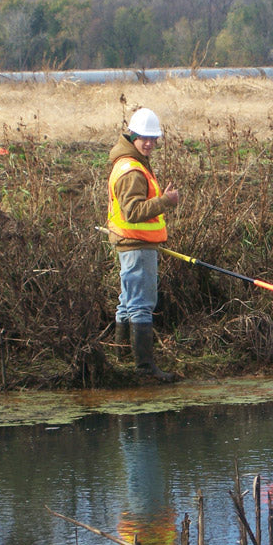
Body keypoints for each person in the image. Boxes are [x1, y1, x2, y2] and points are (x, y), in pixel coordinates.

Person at [107, 107, 179, 383]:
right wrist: (166, 202)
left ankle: (122, 360)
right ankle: (145, 369)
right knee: (141, 305)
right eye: (143, 138)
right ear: (132, 136)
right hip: (137, 247)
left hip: (132, 245)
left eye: (153, 139)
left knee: (126, 304)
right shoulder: (131, 170)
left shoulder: (130, 163)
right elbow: (133, 212)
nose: (149, 143)